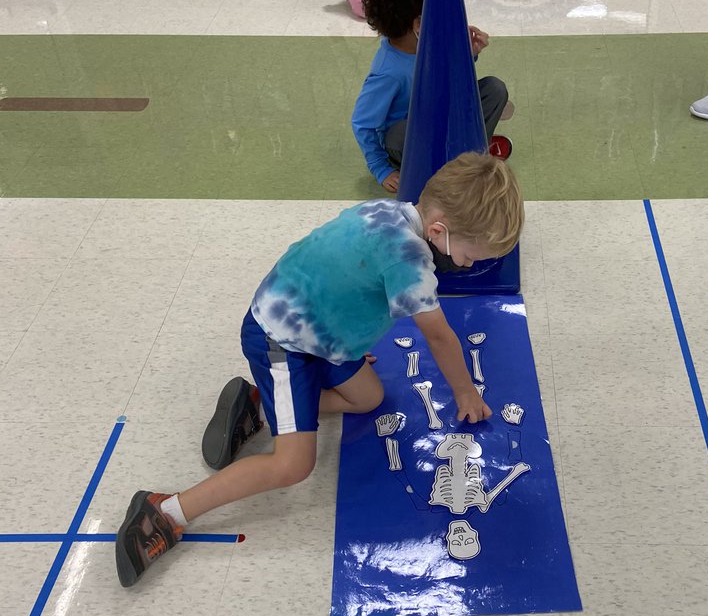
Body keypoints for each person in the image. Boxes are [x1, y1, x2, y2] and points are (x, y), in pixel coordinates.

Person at [115, 152, 524, 588]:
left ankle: (257, 404)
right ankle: (166, 511)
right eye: (468, 256)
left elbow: (340, 274)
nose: (466, 265)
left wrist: (348, 339)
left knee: (369, 398)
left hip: (321, 331)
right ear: (438, 231)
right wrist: (465, 392)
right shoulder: (408, 261)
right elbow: (439, 337)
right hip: (280, 337)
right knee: (293, 465)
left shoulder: (389, 213)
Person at [351, 0, 513, 195]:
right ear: (418, 23)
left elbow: (449, 80)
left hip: (440, 115)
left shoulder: (428, 39)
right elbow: (362, 122)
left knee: (494, 89)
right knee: (401, 133)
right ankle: (463, 159)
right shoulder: (388, 72)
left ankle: (472, 151)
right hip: (409, 141)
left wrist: (468, 55)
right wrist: (380, 168)